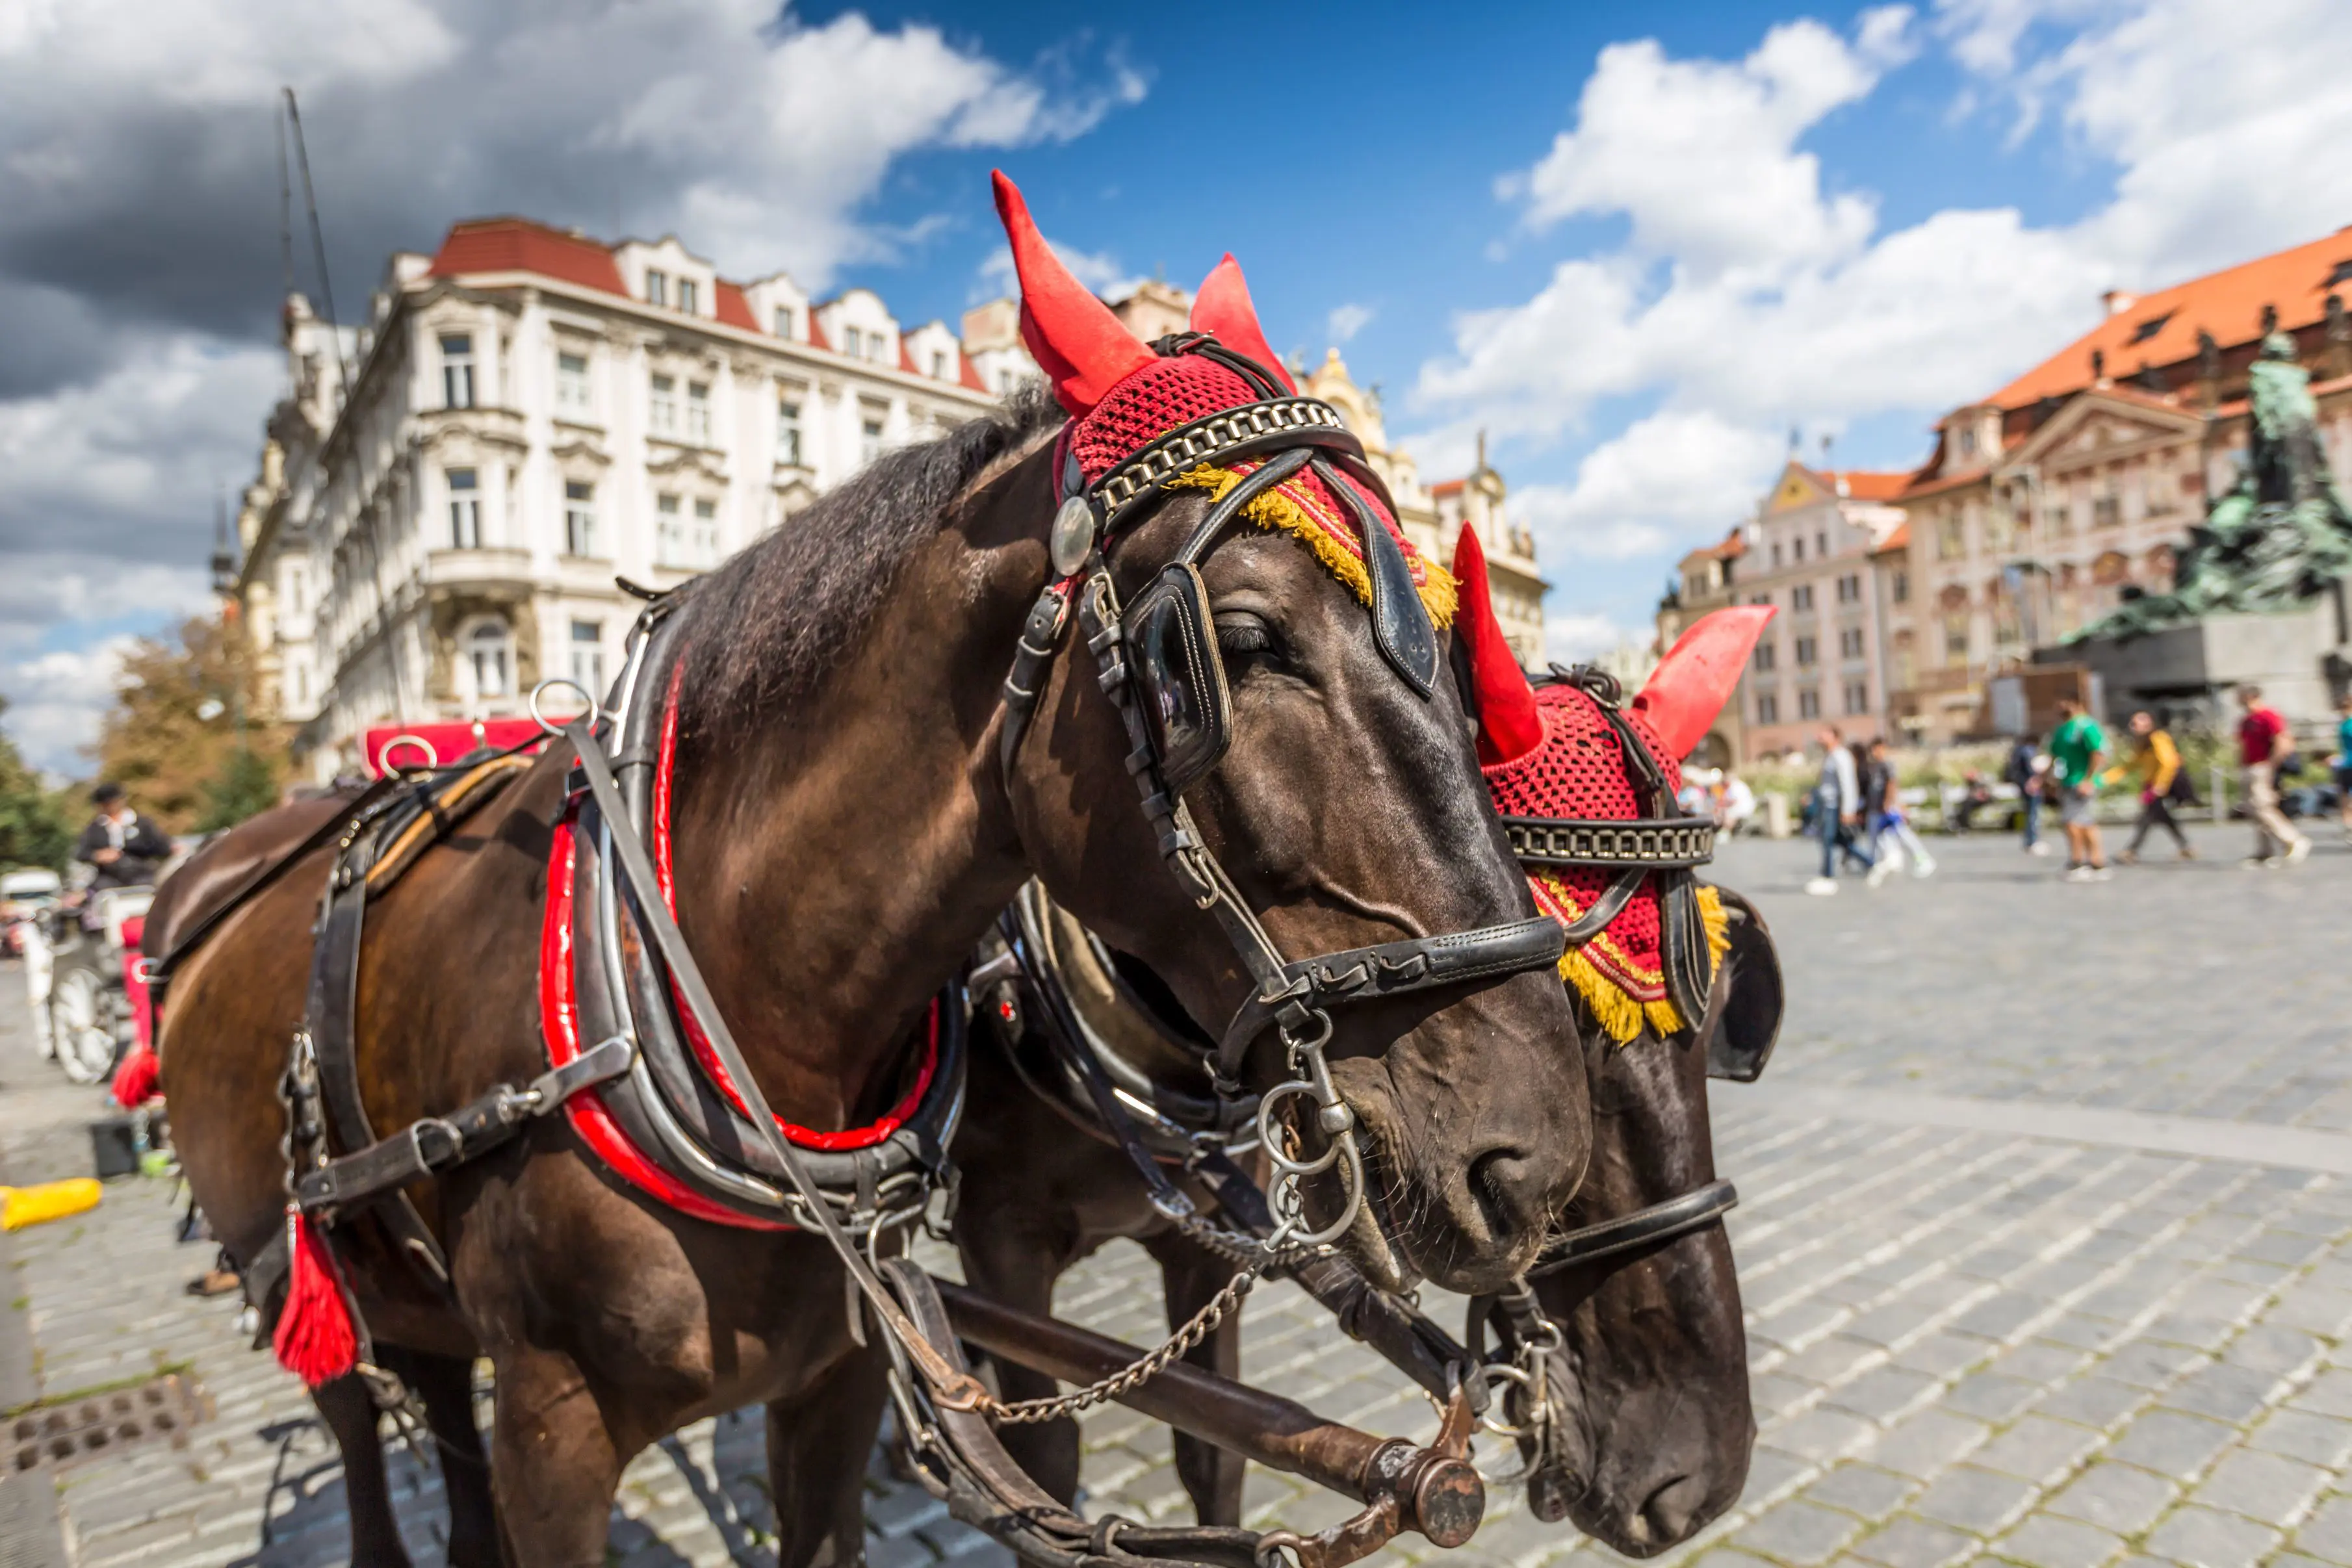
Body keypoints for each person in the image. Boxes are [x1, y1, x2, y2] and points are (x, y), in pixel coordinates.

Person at [2236, 684, 2310, 867]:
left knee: (2263, 807)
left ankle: (2293, 840)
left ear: (2249, 696)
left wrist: (2271, 764)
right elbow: (2242, 745)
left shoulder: (2268, 716)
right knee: (2253, 809)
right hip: (2249, 767)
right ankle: (2265, 850)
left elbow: (2283, 740)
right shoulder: (2246, 720)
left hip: (2263, 766)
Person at [2104, 711, 2194, 863]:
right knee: (2162, 817)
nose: (2133, 727)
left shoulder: (2158, 738)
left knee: (2147, 818)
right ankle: (2186, 847)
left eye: (2136, 724)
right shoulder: (2143, 743)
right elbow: (2131, 764)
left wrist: (2160, 786)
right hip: (2151, 784)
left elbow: (2169, 763)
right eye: (2132, 724)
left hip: (2161, 784)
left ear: (2149, 724)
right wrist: (2106, 778)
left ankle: (2131, 851)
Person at [1805, 725, 1876, 895]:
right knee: (1839, 840)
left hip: (1834, 806)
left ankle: (1827, 876)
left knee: (1827, 840)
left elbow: (1848, 784)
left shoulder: (1841, 755)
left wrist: (1848, 810)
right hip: (1828, 804)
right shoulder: (1830, 756)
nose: (1820, 736)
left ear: (1835, 736)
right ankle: (1870, 863)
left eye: (1824, 734)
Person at [2048, 696, 2110, 882]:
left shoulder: (2087, 726)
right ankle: (2095, 862)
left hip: (2082, 781)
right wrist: (2047, 779)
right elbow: (2055, 756)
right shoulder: (2062, 730)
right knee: (2082, 822)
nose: (2061, 707)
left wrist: (2089, 779)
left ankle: (2079, 861)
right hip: (2067, 781)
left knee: (2073, 822)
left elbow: (2098, 753)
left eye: (2065, 703)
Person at [73, 783, 172, 892]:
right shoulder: (94, 828)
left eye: (112, 802)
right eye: (105, 804)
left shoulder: (142, 823)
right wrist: (97, 855)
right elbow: (80, 853)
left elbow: (162, 847)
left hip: (141, 875)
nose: (110, 807)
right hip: (109, 878)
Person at [1868, 738, 1936, 877]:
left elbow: (1893, 784)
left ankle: (1923, 859)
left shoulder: (1887, 765)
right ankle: (1893, 860)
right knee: (1885, 834)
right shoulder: (1876, 766)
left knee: (1902, 832)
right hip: (1881, 807)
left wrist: (1890, 802)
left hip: (1890, 806)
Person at [2004, 732, 2050, 855]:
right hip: (2031, 786)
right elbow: (2032, 769)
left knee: (2029, 812)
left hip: (2022, 784)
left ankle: (2029, 841)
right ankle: (2033, 841)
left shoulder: (2017, 751)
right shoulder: (2028, 750)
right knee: (2033, 813)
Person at [1949, 770, 1996, 834]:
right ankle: (1960, 823)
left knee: (1966, 806)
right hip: (1972, 801)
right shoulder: (1971, 785)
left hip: (1981, 801)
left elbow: (1986, 795)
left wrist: (1979, 796)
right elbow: (1970, 795)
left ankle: (1963, 825)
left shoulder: (1982, 783)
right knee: (1962, 806)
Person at [2333, 690, 2352, 845]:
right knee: (2344, 798)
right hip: (2345, 764)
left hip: (2347, 764)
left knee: (2346, 799)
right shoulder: (2344, 724)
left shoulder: (2348, 724)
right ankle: (2348, 828)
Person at [1718, 769, 1757, 836]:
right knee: (1727, 811)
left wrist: (1723, 804)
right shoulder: (1738, 785)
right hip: (1743, 806)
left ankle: (1725, 831)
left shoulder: (1736, 786)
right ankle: (1725, 831)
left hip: (1742, 807)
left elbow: (1734, 801)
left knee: (1729, 813)